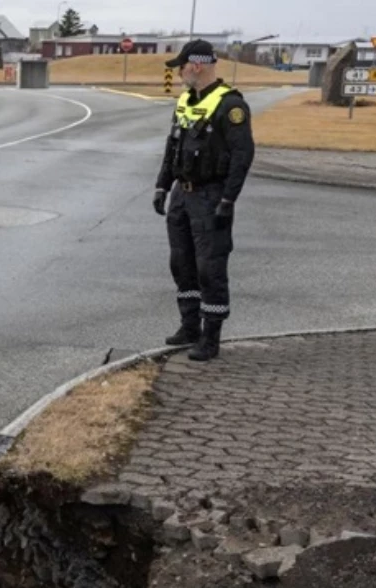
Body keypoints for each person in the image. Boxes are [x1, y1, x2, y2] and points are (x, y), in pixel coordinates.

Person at [152, 39, 255, 361]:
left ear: (196, 65)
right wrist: (162, 186)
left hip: (211, 196)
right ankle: (189, 326)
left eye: (181, 66)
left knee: (210, 268)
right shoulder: (186, 100)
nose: (179, 73)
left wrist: (229, 199)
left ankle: (211, 337)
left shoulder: (230, 105)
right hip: (182, 195)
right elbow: (173, 147)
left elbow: (242, 154)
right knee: (181, 264)